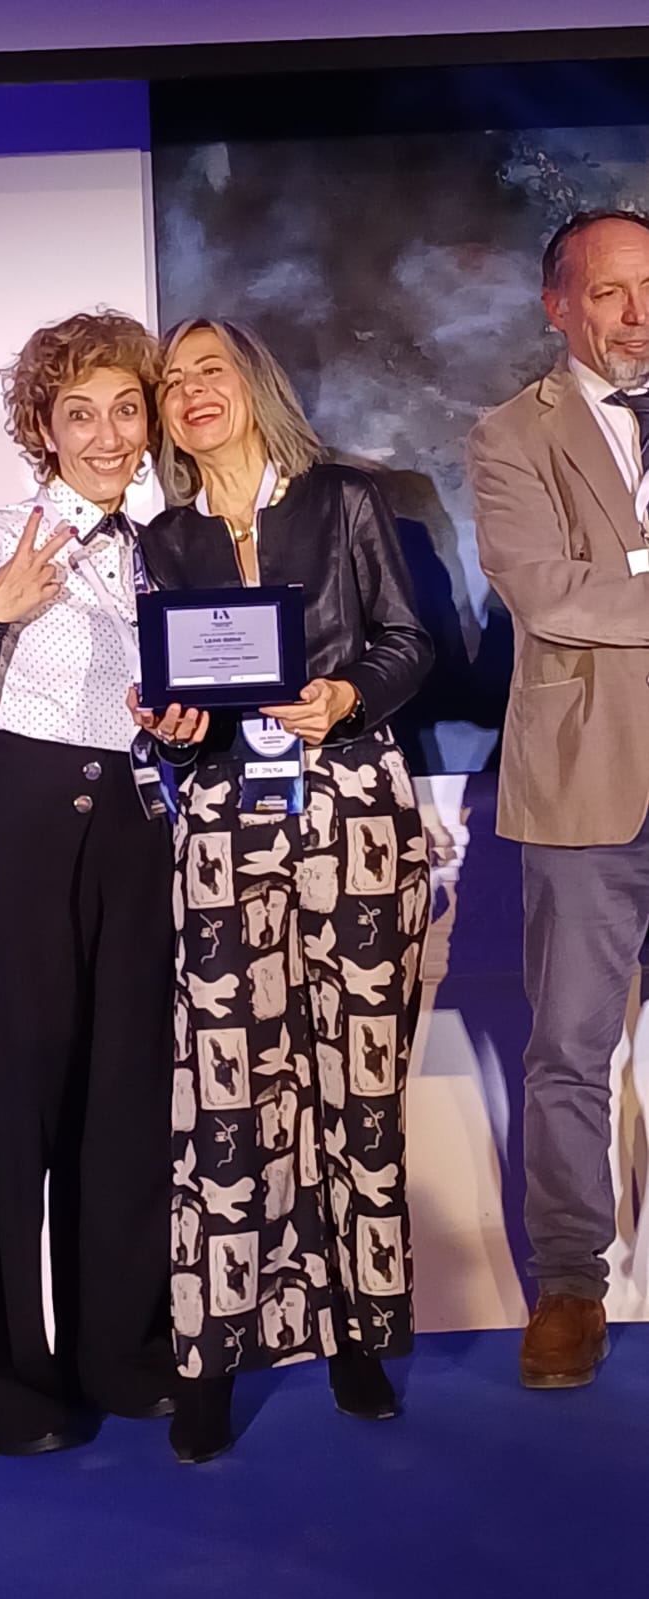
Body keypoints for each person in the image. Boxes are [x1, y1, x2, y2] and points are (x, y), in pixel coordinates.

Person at [132, 317, 433, 1462]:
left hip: (350, 806)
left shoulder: (344, 502)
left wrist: (345, 696)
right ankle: (212, 1355)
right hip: (223, 820)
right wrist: (172, 724)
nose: (189, 392)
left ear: (254, 384)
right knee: (225, 1092)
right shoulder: (164, 540)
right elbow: (172, 700)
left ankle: (355, 1333)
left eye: (208, 370)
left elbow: (406, 642)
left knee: (354, 1081)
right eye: (171, 382)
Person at [0, 310, 176, 1453]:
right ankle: (0, 1387)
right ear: (44, 426)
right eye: (81, 413)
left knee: (122, 1099)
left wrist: (178, 725)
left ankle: (117, 1356)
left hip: (133, 824)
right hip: (22, 822)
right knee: (7, 1104)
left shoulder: (163, 551)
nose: (108, 434)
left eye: (125, 409)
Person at [467, 209, 649, 1389]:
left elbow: (601, 589)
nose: (637, 314)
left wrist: (619, 579)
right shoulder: (507, 435)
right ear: (557, 306)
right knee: (569, 1051)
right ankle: (568, 1287)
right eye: (609, 292)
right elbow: (546, 593)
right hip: (585, 787)